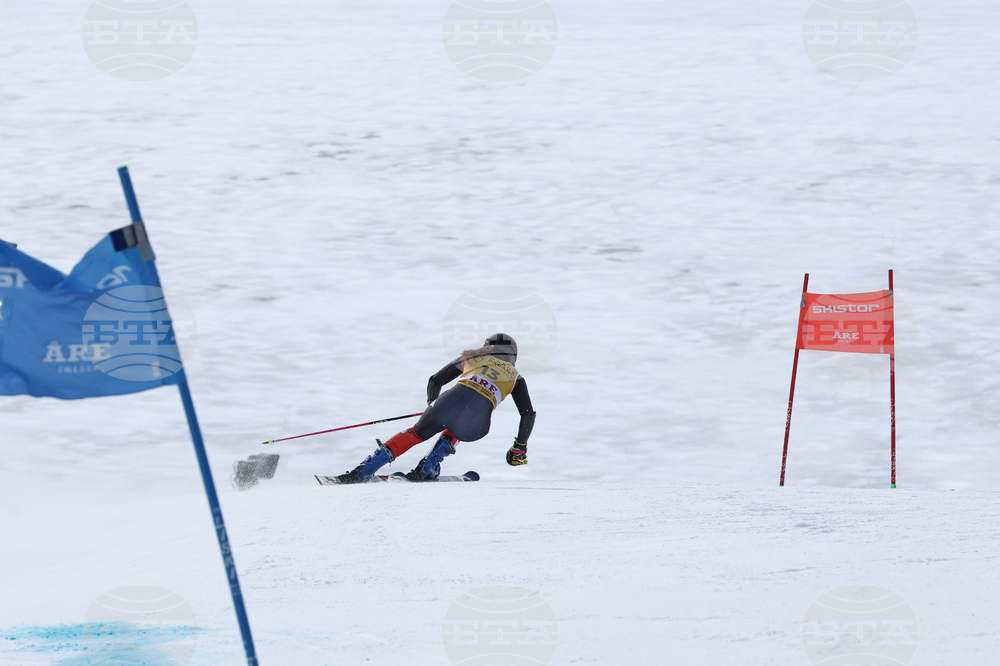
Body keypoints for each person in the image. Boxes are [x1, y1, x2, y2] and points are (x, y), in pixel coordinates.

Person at [337, 333, 536, 483]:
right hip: (477, 423)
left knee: (416, 433)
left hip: (444, 405)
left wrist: (431, 405)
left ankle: (363, 471)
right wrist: (519, 447)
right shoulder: (516, 377)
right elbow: (527, 414)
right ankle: (428, 468)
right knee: (459, 426)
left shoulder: (472, 357)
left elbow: (435, 381)